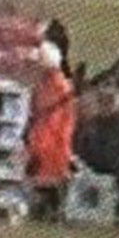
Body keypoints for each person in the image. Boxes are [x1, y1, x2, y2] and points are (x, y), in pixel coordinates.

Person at [24, 21, 77, 219]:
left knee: (48, 176)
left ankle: (50, 208)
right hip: (48, 139)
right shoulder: (50, 85)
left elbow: (55, 121)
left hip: (51, 142)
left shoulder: (57, 87)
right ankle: (47, 207)